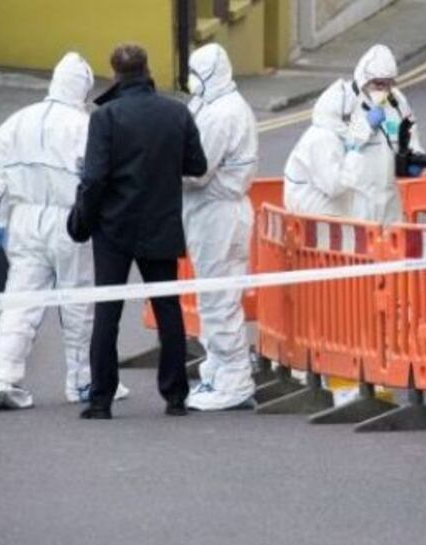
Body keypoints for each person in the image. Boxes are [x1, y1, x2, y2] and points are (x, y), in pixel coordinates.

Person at [0, 52, 129, 410]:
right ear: (82, 88)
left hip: (25, 220)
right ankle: (82, 380)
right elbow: (95, 178)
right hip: (70, 220)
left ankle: (2, 376)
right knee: (78, 302)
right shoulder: (84, 125)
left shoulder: (15, 123)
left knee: (20, 301)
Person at [72, 44, 207, 419]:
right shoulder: (176, 112)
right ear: (147, 70)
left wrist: (84, 216)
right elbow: (197, 164)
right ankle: (176, 396)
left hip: (114, 227)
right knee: (168, 308)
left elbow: (95, 177)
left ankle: (101, 399)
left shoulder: (106, 117)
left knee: (108, 312)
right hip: (161, 221)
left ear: (115, 74)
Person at [181, 43, 258, 411]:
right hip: (214, 211)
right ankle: (218, 370)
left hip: (218, 212)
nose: (190, 79)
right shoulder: (212, 106)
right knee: (214, 295)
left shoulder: (221, 114)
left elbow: (196, 171)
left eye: (196, 72)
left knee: (219, 299)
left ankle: (234, 379)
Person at [344, 44, 425, 224]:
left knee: (393, 245)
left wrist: (415, 156)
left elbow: (410, 131)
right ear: (364, 79)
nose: (384, 90)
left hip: (389, 196)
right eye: (379, 84)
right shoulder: (347, 102)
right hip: (357, 198)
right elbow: (340, 145)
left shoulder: (397, 100)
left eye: (389, 84)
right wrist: (365, 126)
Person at [282, 78, 365, 216]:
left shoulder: (330, 135)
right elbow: (335, 185)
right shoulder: (323, 140)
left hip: (324, 221)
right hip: (318, 223)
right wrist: (355, 151)